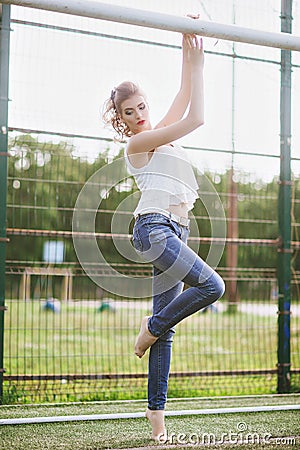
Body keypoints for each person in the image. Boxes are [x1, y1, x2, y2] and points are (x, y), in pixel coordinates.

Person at [103, 29, 225, 443]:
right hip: (153, 229)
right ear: (121, 120)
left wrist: (192, 58)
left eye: (141, 107)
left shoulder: (162, 134)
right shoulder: (139, 143)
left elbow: (183, 94)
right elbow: (197, 117)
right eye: (128, 112)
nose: (137, 115)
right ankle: (151, 325)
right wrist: (199, 69)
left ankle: (156, 416)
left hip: (179, 230)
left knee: (168, 331)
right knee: (212, 285)